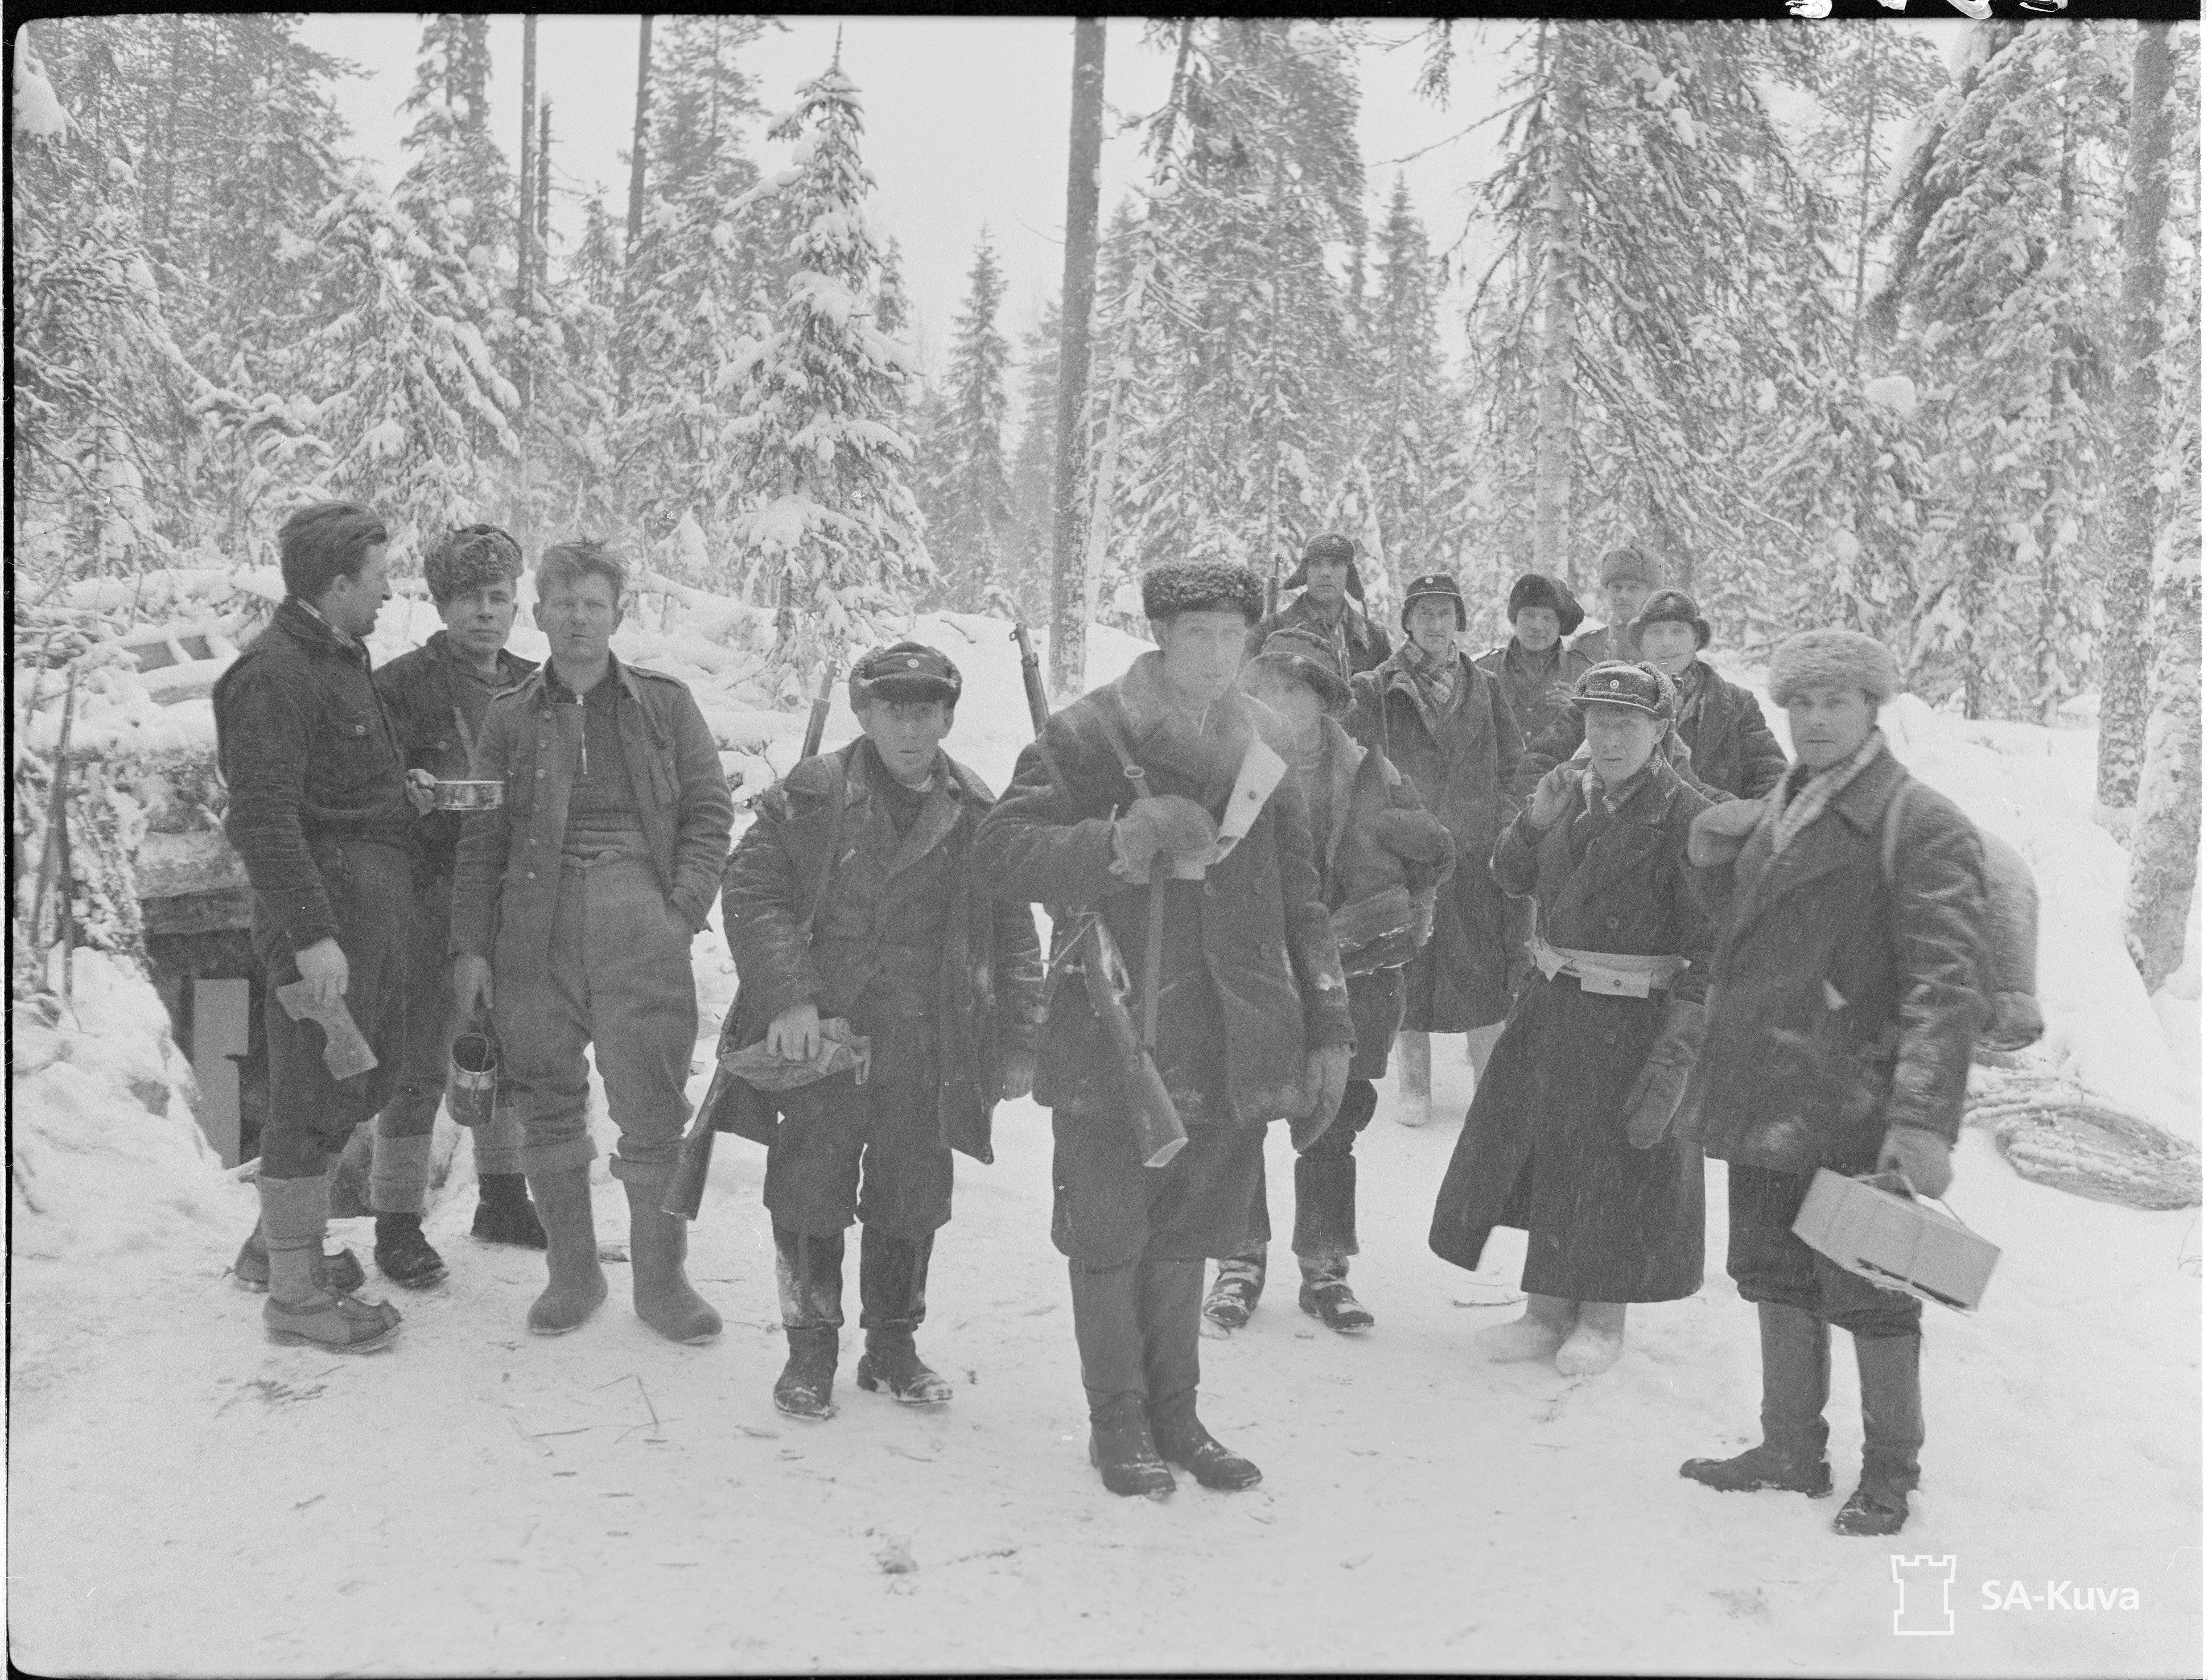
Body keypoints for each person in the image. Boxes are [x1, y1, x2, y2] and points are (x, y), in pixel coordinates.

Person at [975, 561, 1355, 1499]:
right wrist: (1117, 836)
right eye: (1198, 636)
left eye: (1234, 637)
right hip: (1117, 1022)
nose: (1219, 656)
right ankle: (1117, 1417)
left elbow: (1301, 893)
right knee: (1108, 1234)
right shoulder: (1087, 731)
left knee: (1187, 1234)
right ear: (1157, 632)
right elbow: (999, 854)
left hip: (1231, 1026)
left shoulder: (1265, 737)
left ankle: (1176, 1412)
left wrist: (1326, 1024)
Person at [1677, 629, 1985, 1539]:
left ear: (1870, 708)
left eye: (1834, 700)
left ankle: (1889, 1471)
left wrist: (1922, 1119)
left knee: (1869, 1289)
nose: (1812, 718)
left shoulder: (1918, 821)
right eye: (1798, 702)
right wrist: (1708, 857)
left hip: (1854, 1100)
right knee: (1772, 1272)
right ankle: (1787, 1448)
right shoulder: (1777, 807)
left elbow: (1944, 983)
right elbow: (1747, 942)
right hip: (1767, 1089)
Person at [711, 642, 1043, 1420]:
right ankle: (811, 1348)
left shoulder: (974, 806)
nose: (910, 726)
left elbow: (1011, 926)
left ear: (948, 716)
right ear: (863, 713)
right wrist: (790, 997)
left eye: (925, 710)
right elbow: (752, 887)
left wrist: (1021, 1034)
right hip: (827, 1037)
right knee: (809, 1189)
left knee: (913, 1194)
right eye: (893, 709)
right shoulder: (816, 792)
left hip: (929, 1044)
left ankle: (892, 1346)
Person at [450, 538, 734, 1343]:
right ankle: (572, 1275)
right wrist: (472, 949)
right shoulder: (507, 720)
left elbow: (711, 812)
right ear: (538, 613)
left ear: (617, 615)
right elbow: (481, 840)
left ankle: (662, 1283)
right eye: (563, 604)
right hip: (533, 930)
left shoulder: (666, 706)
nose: (578, 618)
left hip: (637, 921)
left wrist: (677, 911)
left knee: (652, 1107)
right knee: (547, 1104)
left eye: (594, 605)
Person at [1429, 662, 1715, 1376]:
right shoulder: (1571, 794)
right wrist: (1534, 820)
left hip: (1634, 1017)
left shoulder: (1688, 816)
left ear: (1659, 730)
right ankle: (1544, 1309)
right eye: (1597, 721)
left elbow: (1713, 951)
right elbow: (1509, 876)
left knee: (1613, 1165)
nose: (1609, 736)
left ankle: (1603, 1317)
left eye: (1627, 723)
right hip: (1555, 1005)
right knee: (1548, 1155)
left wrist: (1677, 1053)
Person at [216, 499, 433, 1351]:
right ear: (337, 583)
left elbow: (329, 790)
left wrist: (396, 796)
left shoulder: (338, 656)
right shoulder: (274, 674)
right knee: (314, 1090)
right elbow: (263, 819)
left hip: (362, 912)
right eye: (379, 577)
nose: (389, 591)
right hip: (325, 923)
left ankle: (278, 1248)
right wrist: (311, 933)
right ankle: (299, 1298)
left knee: (352, 1082)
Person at [1205, 627, 1454, 1334]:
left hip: (1353, 973)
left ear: (1324, 700)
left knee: (1332, 1123)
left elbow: (1431, 861)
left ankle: (1325, 1270)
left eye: (1297, 688)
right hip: (1252, 972)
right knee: (1241, 1116)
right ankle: (1237, 1260)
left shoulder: (1371, 770)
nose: (1280, 702)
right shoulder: (1225, 769)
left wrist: (1428, 852)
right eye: (1267, 687)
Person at [346, 524, 544, 1291]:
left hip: (514, 896)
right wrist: (409, 795)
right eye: (469, 599)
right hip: (428, 893)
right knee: (420, 1058)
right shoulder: (400, 685)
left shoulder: (539, 681)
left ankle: (502, 1197)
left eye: (498, 598)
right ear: (440, 601)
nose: (485, 614)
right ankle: (397, 1222)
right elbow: (362, 787)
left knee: (507, 1045)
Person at [1346, 573, 1526, 1123]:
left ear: (1458, 621)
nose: (1433, 624)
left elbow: (1516, 766)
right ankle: (1415, 1087)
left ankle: (1492, 1087)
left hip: (1475, 858)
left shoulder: (1486, 686)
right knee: (1412, 970)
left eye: (1444, 613)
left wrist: (1502, 819)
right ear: (1406, 621)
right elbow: (1357, 765)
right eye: (1422, 613)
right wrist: (1389, 831)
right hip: (1411, 857)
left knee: (1482, 973)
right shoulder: (1376, 686)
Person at [1516, 588, 1787, 805]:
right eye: (1656, 632)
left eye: (1678, 632)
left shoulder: (1736, 704)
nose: (1667, 642)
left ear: (1696, 641)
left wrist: (1736, 829)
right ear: (1641, 642)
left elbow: (1772, 779)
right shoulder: (1604, 692)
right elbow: (1537, 764)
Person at [1244, 532, 1393, 682]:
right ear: (1305, 572)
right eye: (1316, 564)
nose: (1325, 573)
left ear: (1349, 574)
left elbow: (1386, 701)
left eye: (1336, 564)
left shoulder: (1375, 638)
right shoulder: (1269, 629)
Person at [1474, 572, 1594, 751]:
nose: (1537, 626)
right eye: (1529, 615)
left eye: (1548, 618)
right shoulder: (1485, 670)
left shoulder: (1585, 673)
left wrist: (1580, 715)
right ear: (1516, 619)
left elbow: (1598, 743)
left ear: (1561, 625)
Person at [1569, 544, 1665, 665]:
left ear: (1650, 593)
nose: (1623, 596)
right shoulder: (1585, 647)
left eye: (1633, 589)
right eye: (1617, 587)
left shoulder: (1665, 646)